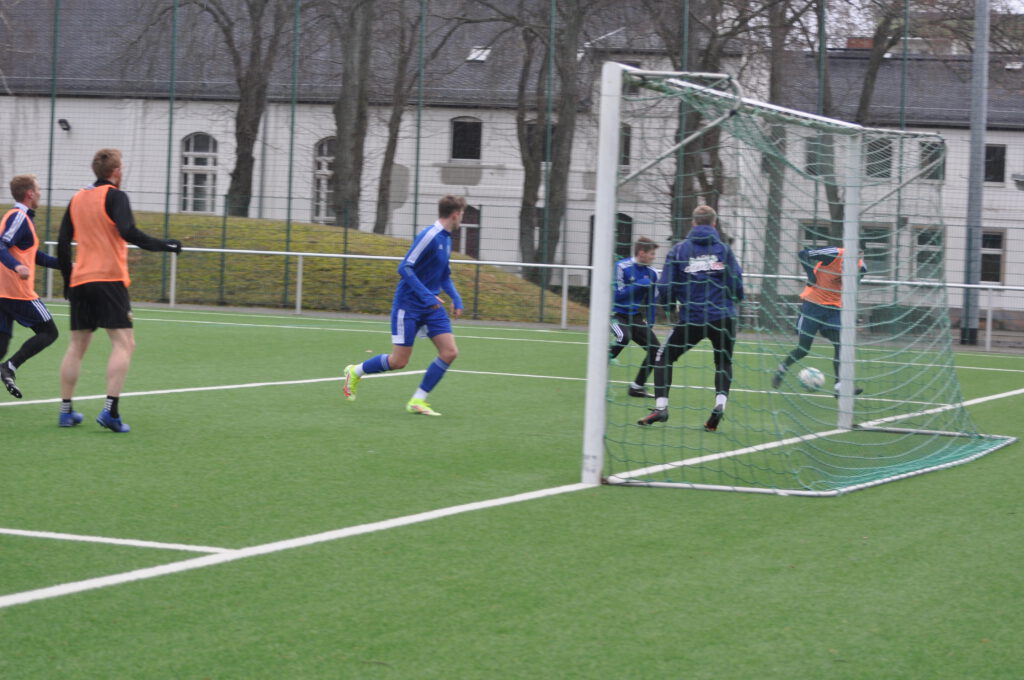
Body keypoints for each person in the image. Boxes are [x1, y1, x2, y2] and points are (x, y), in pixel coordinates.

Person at [57, 148, 182, 432]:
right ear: (115, 172)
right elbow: (128, 231)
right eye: (121, 167)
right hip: (109, 279)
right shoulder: (116, 196)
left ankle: (66, 411)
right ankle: (110, 411)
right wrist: (165, 244)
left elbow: (63, 242)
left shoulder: (77, 198)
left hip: (81, 280)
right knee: (124, 343)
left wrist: (67, 279)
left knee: (76, 346)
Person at [342, 195, 466, 416]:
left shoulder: (447, 239)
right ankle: (355, 371)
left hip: (431, 306)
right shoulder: (429, 235)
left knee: (449, 352)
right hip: (408, 305)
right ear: (455, 214)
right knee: (398, 361)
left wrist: (456, 298)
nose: (462, 219)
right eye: (462, 214)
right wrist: (427, 295)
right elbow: (404, 268)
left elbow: (444, 274)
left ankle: (418, 401)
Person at [639, 205, 744, 431]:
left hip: (693, 318)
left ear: (693, 223)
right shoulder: (724, 250)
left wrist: (669, 306)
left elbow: (665, 286)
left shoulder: (679, 250)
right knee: (723, 361)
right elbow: (736, 281)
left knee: (663, 357)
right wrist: (737, 298)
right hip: (724, 317)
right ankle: (720, 404)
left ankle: (661, 407)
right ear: (714, 223)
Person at [770, 245, 866, 396]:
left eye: (860, 254)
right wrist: (811, 276)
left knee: (841, 345)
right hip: (813, 306)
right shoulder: (834, 254)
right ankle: (783, 368)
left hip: (834, 309)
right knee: (803, 349)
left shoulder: (861, 267)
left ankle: (839, 385)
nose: (858, 257)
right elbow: (803, 253)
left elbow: (855, 283)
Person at [0, 174, 62, 401]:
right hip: (17, 292)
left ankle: (6, 364)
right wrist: (17, 267)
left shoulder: (21, 219)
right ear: (30, 194)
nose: (40, 193)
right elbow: (1, 244)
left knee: (1, 344)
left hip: (3, 292)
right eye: (38, 189)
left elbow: (34, 255)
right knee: (49, 332)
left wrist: (66, 266)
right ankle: (10, 367)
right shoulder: (19, 217)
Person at [609, 236, 660, 398]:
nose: (654, 257)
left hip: (635, 317)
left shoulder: (652, 273)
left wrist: (650, 324)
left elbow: (652, 302)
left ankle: (637, 387)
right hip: (616, 314)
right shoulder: (621, 267)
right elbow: (617, 296)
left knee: (656, 350)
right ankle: (601, 362)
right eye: (652, 253)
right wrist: (638, 284)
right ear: (641, 253)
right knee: (623, 337)